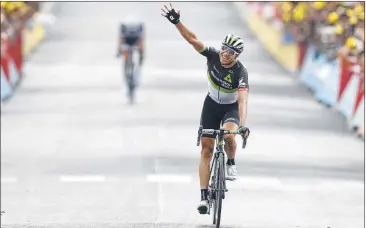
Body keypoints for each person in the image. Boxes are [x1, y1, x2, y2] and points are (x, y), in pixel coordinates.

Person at [161, 3, 251, 215]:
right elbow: (192, 39)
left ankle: (230, 161)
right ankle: (203, 197)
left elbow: (242, 102)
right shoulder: (212, 55)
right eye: (223, 49)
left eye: (230, 52)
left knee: (229, 137)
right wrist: (177, 23)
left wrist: (243, 126)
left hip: (230, 107)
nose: (224, 54)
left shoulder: (240, 72)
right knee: (206, 149)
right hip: (210, 104)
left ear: (237, 56)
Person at [116, 14, 145, 85]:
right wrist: (119, 50)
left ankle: (138, 64)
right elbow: (121, 39)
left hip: (135, 40)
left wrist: (141, 52)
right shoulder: (123, 27)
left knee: (140, 51)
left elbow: (141, 40)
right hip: (127, 40)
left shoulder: (139, 27)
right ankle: (126, 66)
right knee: (125, 52)